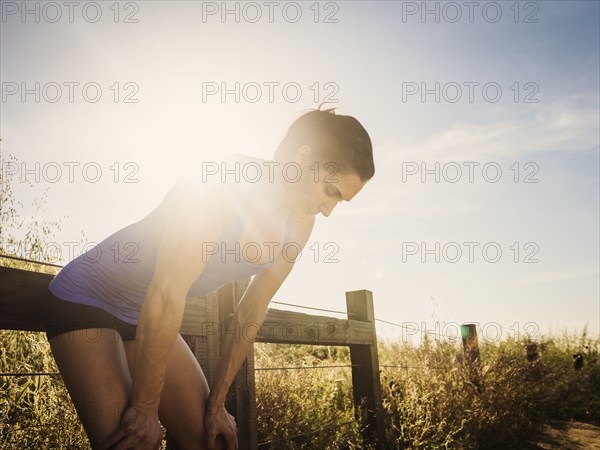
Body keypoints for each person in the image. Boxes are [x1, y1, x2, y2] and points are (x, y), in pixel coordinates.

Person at [43, 105, 375, 450]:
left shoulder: (301, 224)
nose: (328, 209)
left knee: (210, 440)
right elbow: (168, 291)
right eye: (331, 191)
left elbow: (251, 311)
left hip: (142, 316)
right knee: (135, 442)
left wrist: (217, 405)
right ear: (303, 157)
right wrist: (145, 408)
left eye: (340, 202)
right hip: (88, 297)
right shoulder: (226, 179)